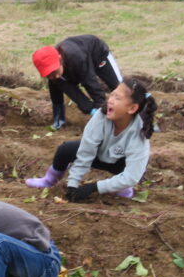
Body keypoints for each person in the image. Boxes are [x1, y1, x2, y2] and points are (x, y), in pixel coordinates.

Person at [26, 77, 157, 201]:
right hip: (99, 154)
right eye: (111, 95)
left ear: (132, 108)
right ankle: (49, 180)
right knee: (65, 150)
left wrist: (95, 187)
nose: (110, 100)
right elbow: (86, 151)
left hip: (120, 164)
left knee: (126, 177)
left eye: (117, 98)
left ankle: (122, 187)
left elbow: (132, 176)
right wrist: (73, 184)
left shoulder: (140, 133)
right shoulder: (101, 116)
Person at [32, 35, 123, 130]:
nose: (55, 76)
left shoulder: (77, 58)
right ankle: (60, 121)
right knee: (56, 84)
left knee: (118, 87)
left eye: (55, 72)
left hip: (98, 54)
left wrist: (101, 109)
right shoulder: (54, 74)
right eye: (49, 75)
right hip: (75, 64)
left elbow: (91, 84)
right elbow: (72, 94)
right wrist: (90, 109)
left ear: (59, 59)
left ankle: (135, 112)